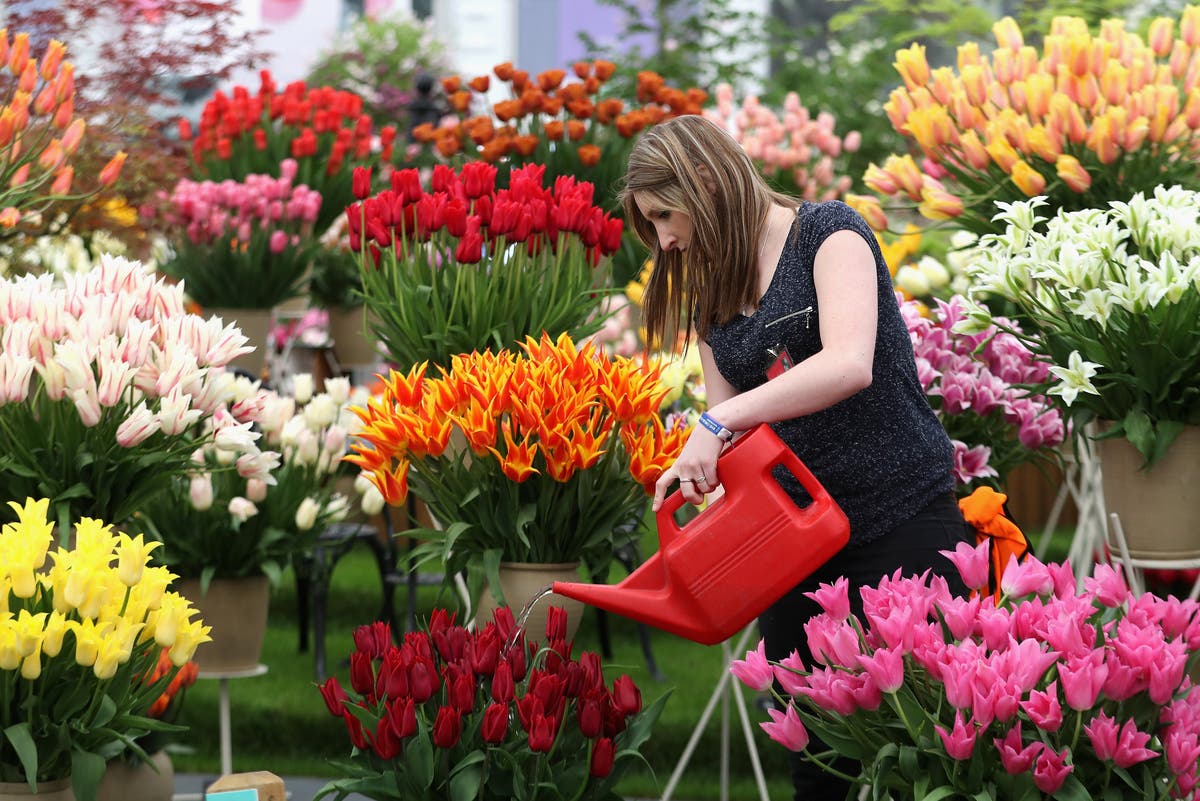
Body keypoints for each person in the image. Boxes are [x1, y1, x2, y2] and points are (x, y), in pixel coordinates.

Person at [619, 114, 971, 801]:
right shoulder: (709, 287)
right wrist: (702, 471)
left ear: (709, 180)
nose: (662, 239)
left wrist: (716, 421)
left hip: (901, 514)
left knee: (933, 744)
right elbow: (738, 435)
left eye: (665, 213)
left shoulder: (829, 233)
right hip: (797, 544)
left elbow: (847, 364)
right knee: (817, 755)